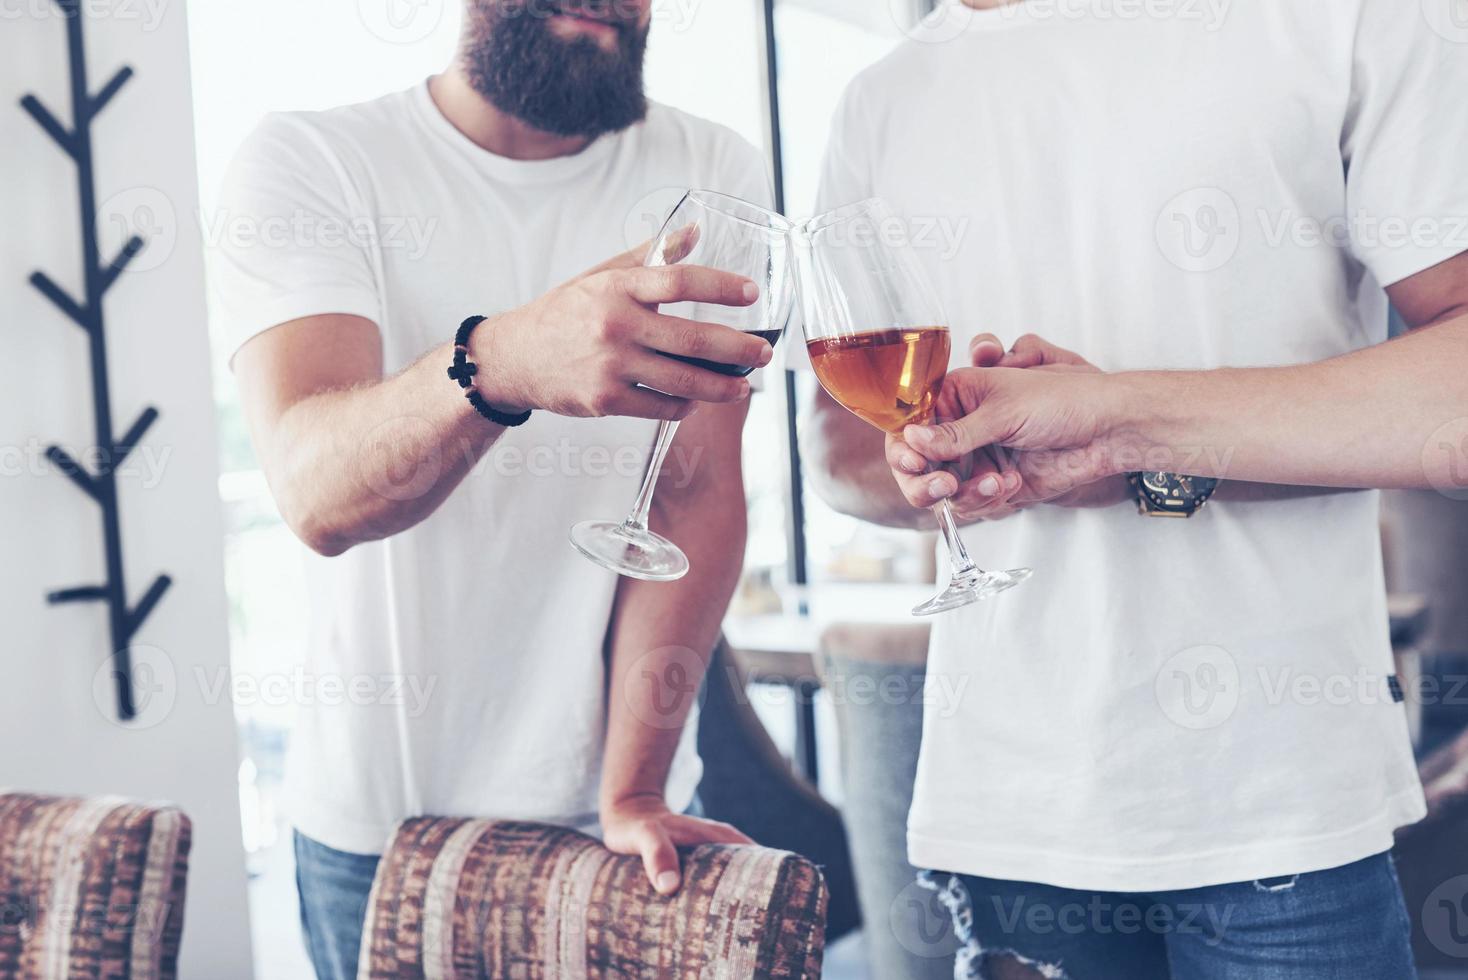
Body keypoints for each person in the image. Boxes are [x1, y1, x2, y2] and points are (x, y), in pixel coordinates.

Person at [803, 0, 1468, 975]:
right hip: (1007, 820)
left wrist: (1114, 428)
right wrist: (940, 454)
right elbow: (836, 450)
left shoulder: (1348, 18)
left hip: (1284, 816)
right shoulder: (881, 97)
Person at [214, 2, 773, 976]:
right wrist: (498, 362)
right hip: (381, 826)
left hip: (619, 822)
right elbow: (318, 492)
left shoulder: (711, 168)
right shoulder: (312, 161)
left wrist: (633, 786)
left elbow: (691, 495)